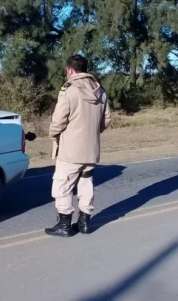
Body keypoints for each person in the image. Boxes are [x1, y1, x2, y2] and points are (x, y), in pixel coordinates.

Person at [45, 55, 111, 237]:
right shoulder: (100, 91)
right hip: (91, 149)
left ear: (70, 70)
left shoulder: (69, 89)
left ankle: (64, 224)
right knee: (86, 183)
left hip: (70, 150)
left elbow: (59, 119)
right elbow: (106, 119)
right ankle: (84, 222)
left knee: (62, 185)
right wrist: (93, 133)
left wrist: (53, 134)